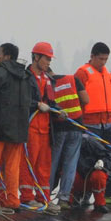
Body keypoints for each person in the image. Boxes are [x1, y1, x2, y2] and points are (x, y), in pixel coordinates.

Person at [0, 43, 38, 210]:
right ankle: (13, 200)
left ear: (7, 56)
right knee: (12, 167)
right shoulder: (26, 77)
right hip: (18, 130)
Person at [74, 42, 111, 198]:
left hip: (108, 124)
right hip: (89, 124)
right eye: (101, 59)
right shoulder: (82, 73)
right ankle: (83, 194)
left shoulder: (108, 74)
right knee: (89, 160)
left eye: (106, 59)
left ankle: (109, 193)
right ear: (92, 56)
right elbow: (77, 99)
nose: (103, 62)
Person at [19, 42, 60, 212]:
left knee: (44, 165)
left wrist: (57, 111)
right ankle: (27, 198)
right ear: (36, 57)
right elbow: (21, 100)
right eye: (46, 58)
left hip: (45, 129)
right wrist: (36, 104)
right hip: (31, 127)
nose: (49, 62)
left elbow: (51, 102)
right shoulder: (25, 78)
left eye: (50, 59)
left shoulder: (49, 80)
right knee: (28, 163)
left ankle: (43, 198)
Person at [49, 64, 89, 211]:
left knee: (52, 163)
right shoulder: (73, 79)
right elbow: (86, 99)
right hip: (76, 126)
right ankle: (64, 198)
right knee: (70, 164)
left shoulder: (47, 84)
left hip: (58, 128)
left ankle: (44, 196)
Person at [70, 137, 110, 213]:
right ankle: (70, 200)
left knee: (99, 176)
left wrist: (102, 162)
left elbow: (107, 156)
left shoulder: (91, 142)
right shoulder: (67, 144)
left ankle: (99, 203)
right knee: (68, 173)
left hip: (91, 177)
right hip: (77, 177)